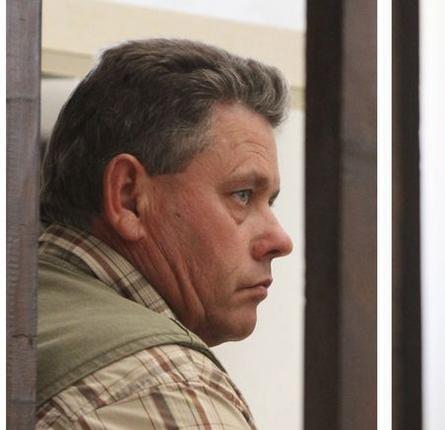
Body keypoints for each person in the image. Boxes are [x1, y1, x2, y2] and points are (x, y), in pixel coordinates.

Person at [36, 39, 293, 429]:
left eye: (269, 202)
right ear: (129, 198)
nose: (280, 241)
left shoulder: (31, 310)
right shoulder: (163, 386)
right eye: (242, 195)